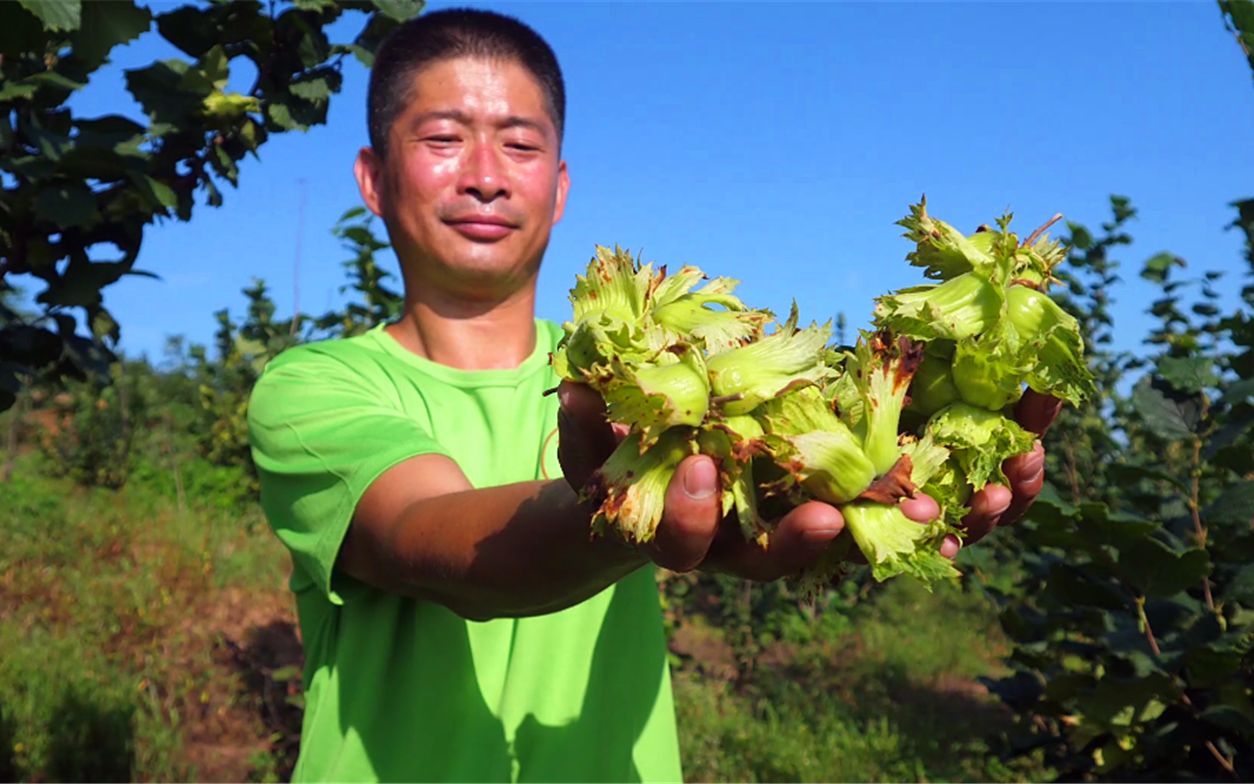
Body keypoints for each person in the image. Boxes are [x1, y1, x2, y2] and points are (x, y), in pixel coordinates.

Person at [247, 8, 1057, 782]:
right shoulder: (314, 390)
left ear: (559, 187)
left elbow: (763, 464)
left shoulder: (638, 370)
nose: (486, 178)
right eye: (443, 139)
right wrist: (626, 512)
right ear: (373, 177)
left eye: (519, 145)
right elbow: (440, 544)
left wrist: (849, 472)